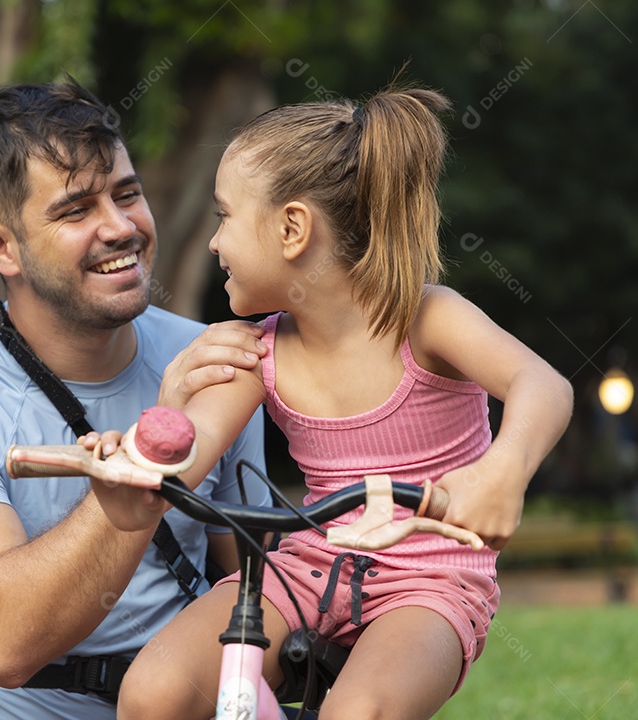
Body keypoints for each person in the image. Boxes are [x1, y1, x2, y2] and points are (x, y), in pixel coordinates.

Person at [85, 85, 574, 720]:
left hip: (430, 581)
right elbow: (188, 454)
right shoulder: (254, 352)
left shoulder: (426, 320)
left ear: (292, 228)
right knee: (154, 693)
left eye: (224, 216)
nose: (213, 242)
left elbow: (545, 386)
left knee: (358, 712)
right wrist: (140, 460)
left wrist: (504, 469)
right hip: (308, 568)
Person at [0, 79, 273, 720]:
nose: (120, 228)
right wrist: (132, 483)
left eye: (127, 195)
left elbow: (253, 579)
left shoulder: (213, 360)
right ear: (0, 246)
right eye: (75, 210)